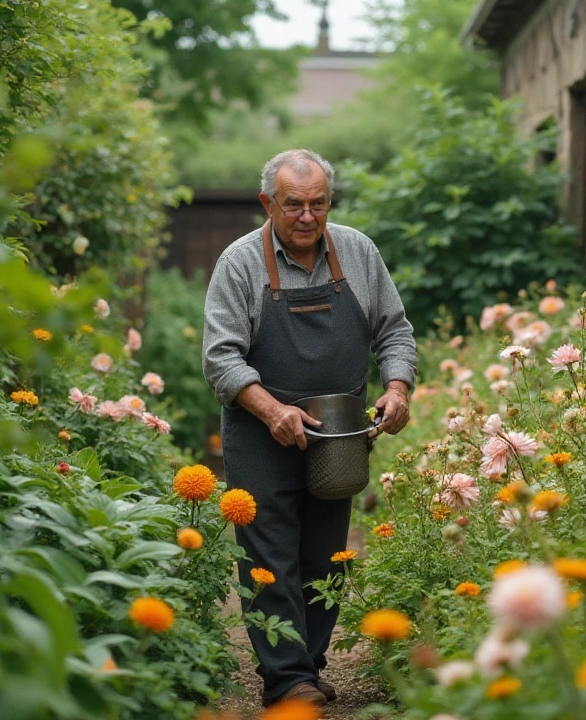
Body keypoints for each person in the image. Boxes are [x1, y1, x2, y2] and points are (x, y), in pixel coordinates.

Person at [202, 149, 416, 708]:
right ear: (266, 203)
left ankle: (307, 664)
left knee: (326, 556)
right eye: (292, 204)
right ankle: (286, 680)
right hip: (260, 431)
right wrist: (273, 410)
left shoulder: (359, 253)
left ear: (329, 202)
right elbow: (221, 359)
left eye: (318, 203)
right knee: (269, 557)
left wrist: (397, 388)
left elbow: (394, 331)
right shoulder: (239, 263)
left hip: (338, 435)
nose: (306, 216)